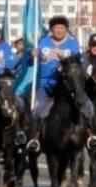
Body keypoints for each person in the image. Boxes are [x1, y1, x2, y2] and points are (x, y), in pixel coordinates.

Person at [25, 15, 91, 152]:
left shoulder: (72, 44)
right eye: (56, 28)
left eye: (62, 28)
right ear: (51, 29)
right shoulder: (43, 42)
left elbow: (80, 63)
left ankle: (91, 135)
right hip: (46, 85)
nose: (59, 30)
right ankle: (35, 138)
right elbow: (30, 63)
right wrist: (31, 55)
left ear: (66, 29)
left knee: (87, 106)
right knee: (38, 110)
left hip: (67, 87)